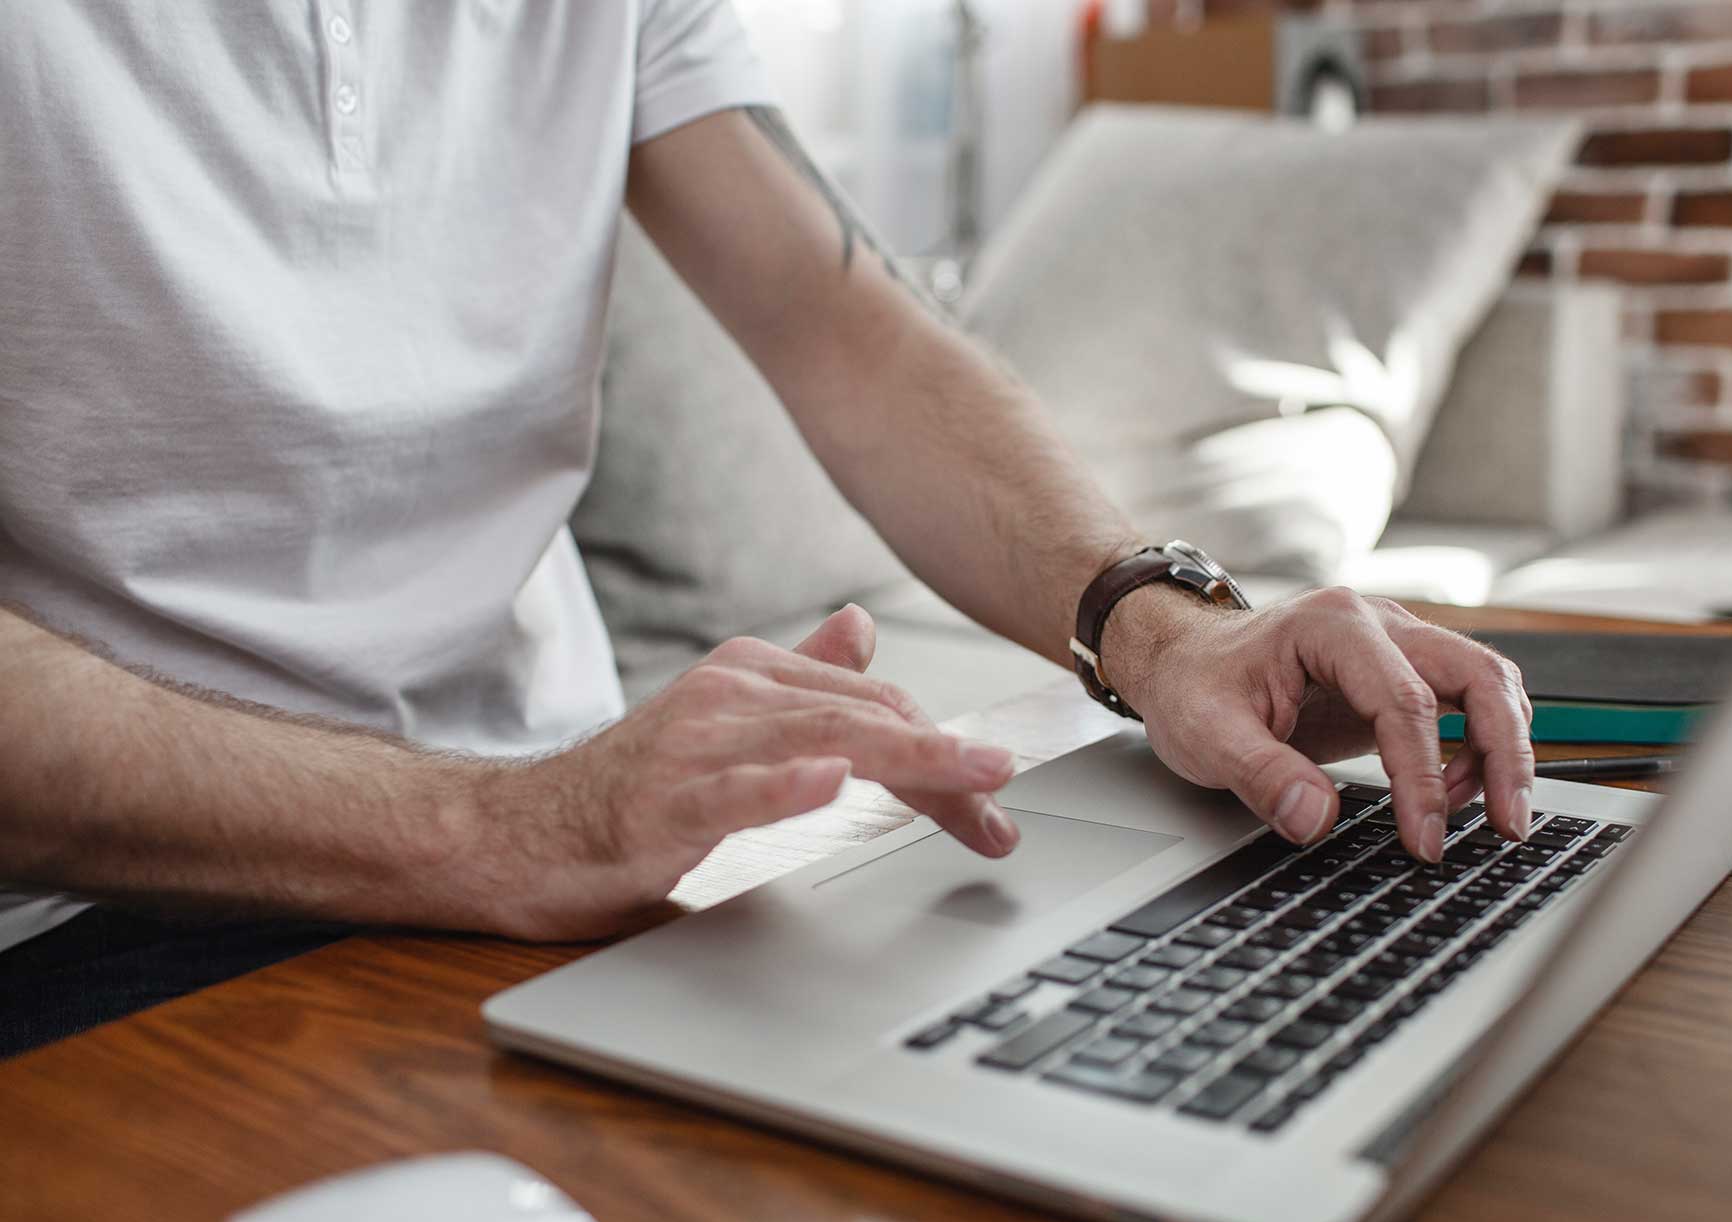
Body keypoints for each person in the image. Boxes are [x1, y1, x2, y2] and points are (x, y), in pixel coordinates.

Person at [0, 2, 1533, 1055]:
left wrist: (1169, 626)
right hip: (110, 917)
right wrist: (508, 829)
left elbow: (848, 330)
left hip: (579, 871)